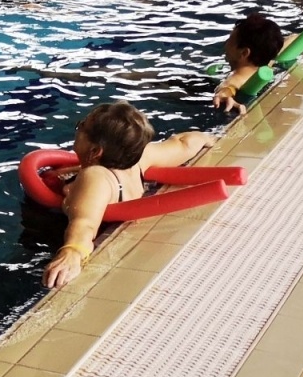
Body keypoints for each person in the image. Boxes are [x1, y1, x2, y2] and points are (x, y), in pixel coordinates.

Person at [42, 102, 215, 288]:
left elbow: (85, 223)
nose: (77, 130)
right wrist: (205, 137)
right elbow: (184, 143)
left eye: (81, 127)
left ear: (95, 151)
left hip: (93, 232)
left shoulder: (96, 177)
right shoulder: (139, 160)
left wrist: (72, 251)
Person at [211, 13, 286, 116]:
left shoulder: (235, 79)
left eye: (229, 40)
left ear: (244, 53)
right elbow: (288, 43)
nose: (225, 44)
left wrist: (222, 95)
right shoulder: (268, 64)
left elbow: (228, 88)